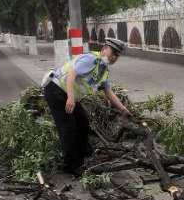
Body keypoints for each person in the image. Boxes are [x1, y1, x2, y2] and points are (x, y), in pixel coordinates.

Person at [42, 37, 132, 175]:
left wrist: (123, 110)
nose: (114, 57)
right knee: (68, 127)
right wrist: (71, 98)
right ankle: (72, 166)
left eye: (117, 56)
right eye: (113, 53)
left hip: (67, 93)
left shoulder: (103, 69)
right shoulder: (92, 59)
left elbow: (108, 91)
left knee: (83, 122)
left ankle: (84, 155)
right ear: (104, 49)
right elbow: (72, 74)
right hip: (56, 91)